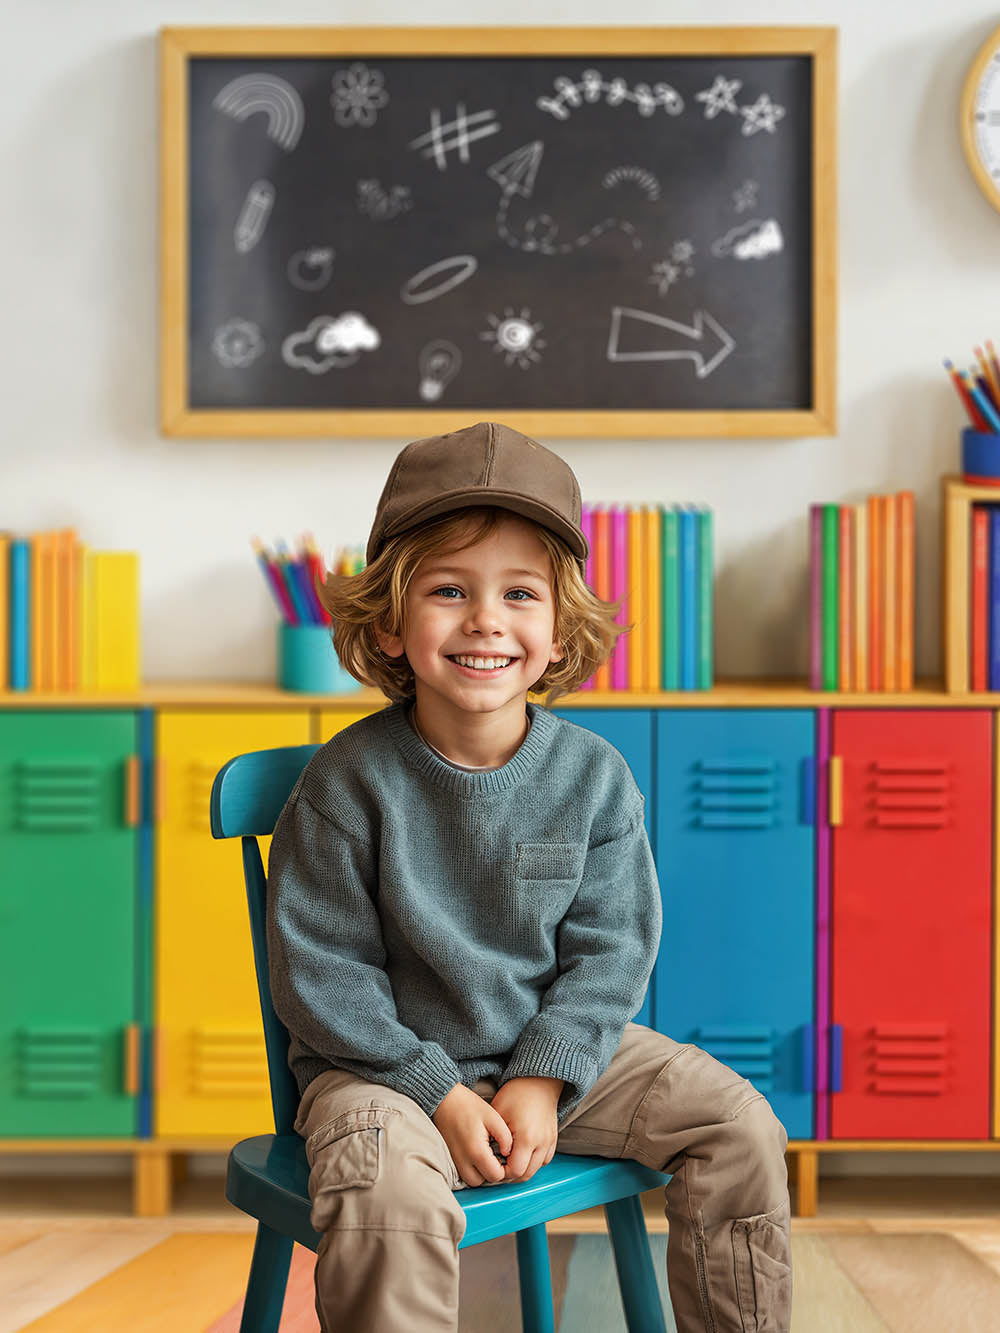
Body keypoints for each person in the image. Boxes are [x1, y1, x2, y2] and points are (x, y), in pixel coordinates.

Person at [266, 421, 792, 1332]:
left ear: (558, 631)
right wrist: (437, 1091)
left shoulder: (592, 776)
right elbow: (323, 978)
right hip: (379, 1073)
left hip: (554, 1058)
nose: (485, 619)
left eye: (519, 592)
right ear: (390, 622)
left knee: (739, 1124)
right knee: (386, 1206)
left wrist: (543, 1077)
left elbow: (612, 953)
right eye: (447, 590)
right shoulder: (345, 783)